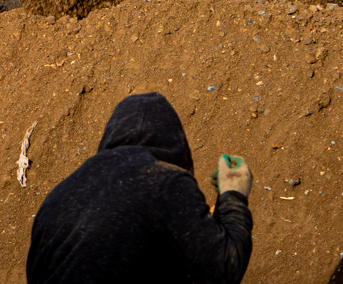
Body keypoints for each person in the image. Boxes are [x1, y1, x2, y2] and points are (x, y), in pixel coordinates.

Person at [25, 91, 252, 284]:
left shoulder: (58, 197)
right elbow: (226, 266)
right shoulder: (163, 180)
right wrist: (233, 196)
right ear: (177, 147)